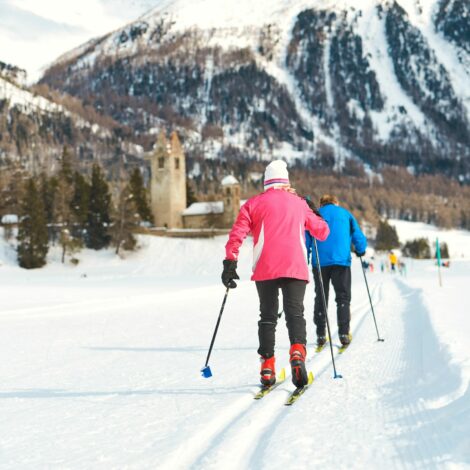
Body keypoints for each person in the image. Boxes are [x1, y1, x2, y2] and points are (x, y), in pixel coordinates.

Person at [221, 160, 329, 388]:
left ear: (266, 182)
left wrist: (230, 263)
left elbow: (236, 235)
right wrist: (311, 208)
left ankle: (267, 367)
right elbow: (322, 232)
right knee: (295, 314)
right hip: (294, 266)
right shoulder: (299, 203)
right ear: (286, 180)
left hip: (265, 267)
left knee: (268, 317)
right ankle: (297, 354)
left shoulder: (252, 204)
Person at [305, 194, 367, 348]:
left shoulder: (315, 214)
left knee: (321, 296)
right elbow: (358, 235)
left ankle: (320, 334)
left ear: (321, 204)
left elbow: (306, 237)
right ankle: (344, 333)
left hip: (320, 262)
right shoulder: (345, 214)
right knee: (343, 298)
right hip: (341, 261)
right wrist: (360, 249)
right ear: (336, 202)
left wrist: (305, 255)